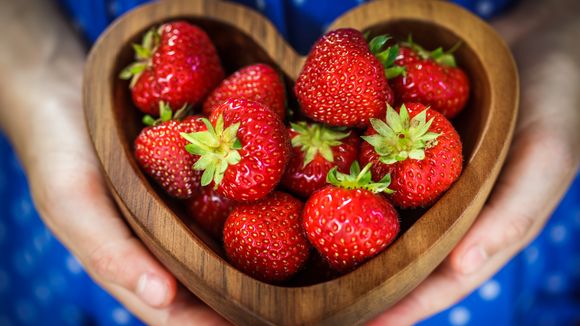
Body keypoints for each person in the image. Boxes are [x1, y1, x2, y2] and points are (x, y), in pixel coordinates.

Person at [0, 0, 578, 325]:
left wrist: (565, 36)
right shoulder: (235, 144)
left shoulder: (349, 148)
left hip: (488, 202)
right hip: (101, 181)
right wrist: (32, 69)